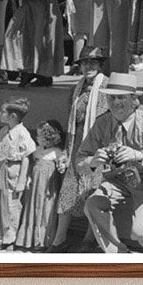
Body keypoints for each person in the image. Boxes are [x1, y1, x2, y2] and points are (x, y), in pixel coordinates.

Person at [76, 72, 143, 254]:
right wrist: (92, 161)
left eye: (121, 97)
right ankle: (119, 255)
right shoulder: (102, 123)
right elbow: (79, 162)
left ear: (133, 100)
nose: (116, 103)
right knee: (93, 205)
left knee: (141, 232)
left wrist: (138, 155)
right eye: (111, 97)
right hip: (117, 181)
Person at [51, 45, 109, 249]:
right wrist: (67, 150)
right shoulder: (76, 89)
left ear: (100, 65)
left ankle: (89, 240)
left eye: (93, 62)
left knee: (94, 190)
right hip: (77, 144)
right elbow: (71, 121)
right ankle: (59, 240)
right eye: (85, 63)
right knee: (68, 190)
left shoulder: (108, 88)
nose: (88, 67)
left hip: (100, 146)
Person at [0, 97, 36, 251]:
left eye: (2, 112)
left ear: (13, 116)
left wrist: (22, 181)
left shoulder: (22, 133)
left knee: (12, 206)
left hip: (14, 173)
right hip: (2, 171)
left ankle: (9, 239)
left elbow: (26, 157)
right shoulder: (3, 131)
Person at [16, 120, 67, 251]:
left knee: (45, 211)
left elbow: (61, 167)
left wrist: (62, 166)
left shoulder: (56, 152)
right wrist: (28, 177)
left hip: (47, 189)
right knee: (32, 208)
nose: (37, 138)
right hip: (34, 188)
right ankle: (29, 239)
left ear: (48, 138)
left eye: (40, 136)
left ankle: (42, 241)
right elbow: (32, 166)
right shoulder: (37, 151)